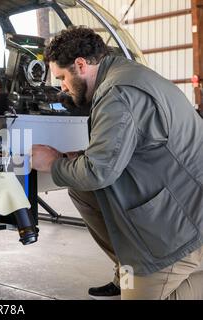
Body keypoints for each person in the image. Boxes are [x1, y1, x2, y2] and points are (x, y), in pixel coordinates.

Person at [32, 27, 203, 300]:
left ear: (80, 65)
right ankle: (125, 270)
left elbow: (98, 172)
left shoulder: (117, 93)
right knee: (82, 189)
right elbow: (121, 150)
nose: (62, 86)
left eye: (62, 77)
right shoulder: (126, 74)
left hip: (180, 230)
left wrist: (52, 163)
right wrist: (76, 159)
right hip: (185, 204)